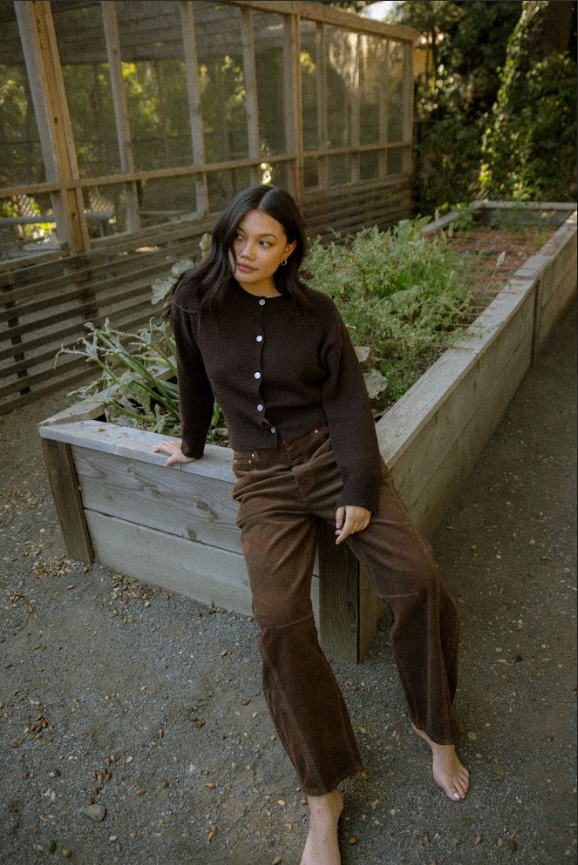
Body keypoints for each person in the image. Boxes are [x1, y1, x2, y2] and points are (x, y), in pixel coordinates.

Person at [153, 185, 469, 865]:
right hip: (261, 478)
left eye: (264, 241)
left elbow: (350, 402)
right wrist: (190, 443)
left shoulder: (316, 314)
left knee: (416, 578)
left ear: (290, 248)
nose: (246, 252)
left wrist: (357, 487)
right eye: (238, 237)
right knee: (279, 621)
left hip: (331, 461)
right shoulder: (194, 300)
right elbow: (193, 378)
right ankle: (321, 793)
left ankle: (436, 725)